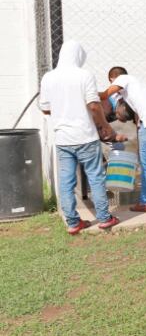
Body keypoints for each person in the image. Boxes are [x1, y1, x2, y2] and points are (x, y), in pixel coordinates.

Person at [38, 40, 125, 234]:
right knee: (95, 177)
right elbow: (94, 105)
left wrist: (63, 111)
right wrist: (106, 127)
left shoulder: (48, 78)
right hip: (85, 136)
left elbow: (45, 109)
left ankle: (73, 222)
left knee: (66, 181)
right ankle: (104, 218)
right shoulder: (84, 75)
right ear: (79, 56)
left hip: (62, 139)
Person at [100, 67, 146, 214]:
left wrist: (84, 94)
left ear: (112, 79)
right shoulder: (139, 85)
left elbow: (104, 95)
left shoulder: (122, 79)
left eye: (111, 83)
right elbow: (137, 113)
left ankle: (145, 203)